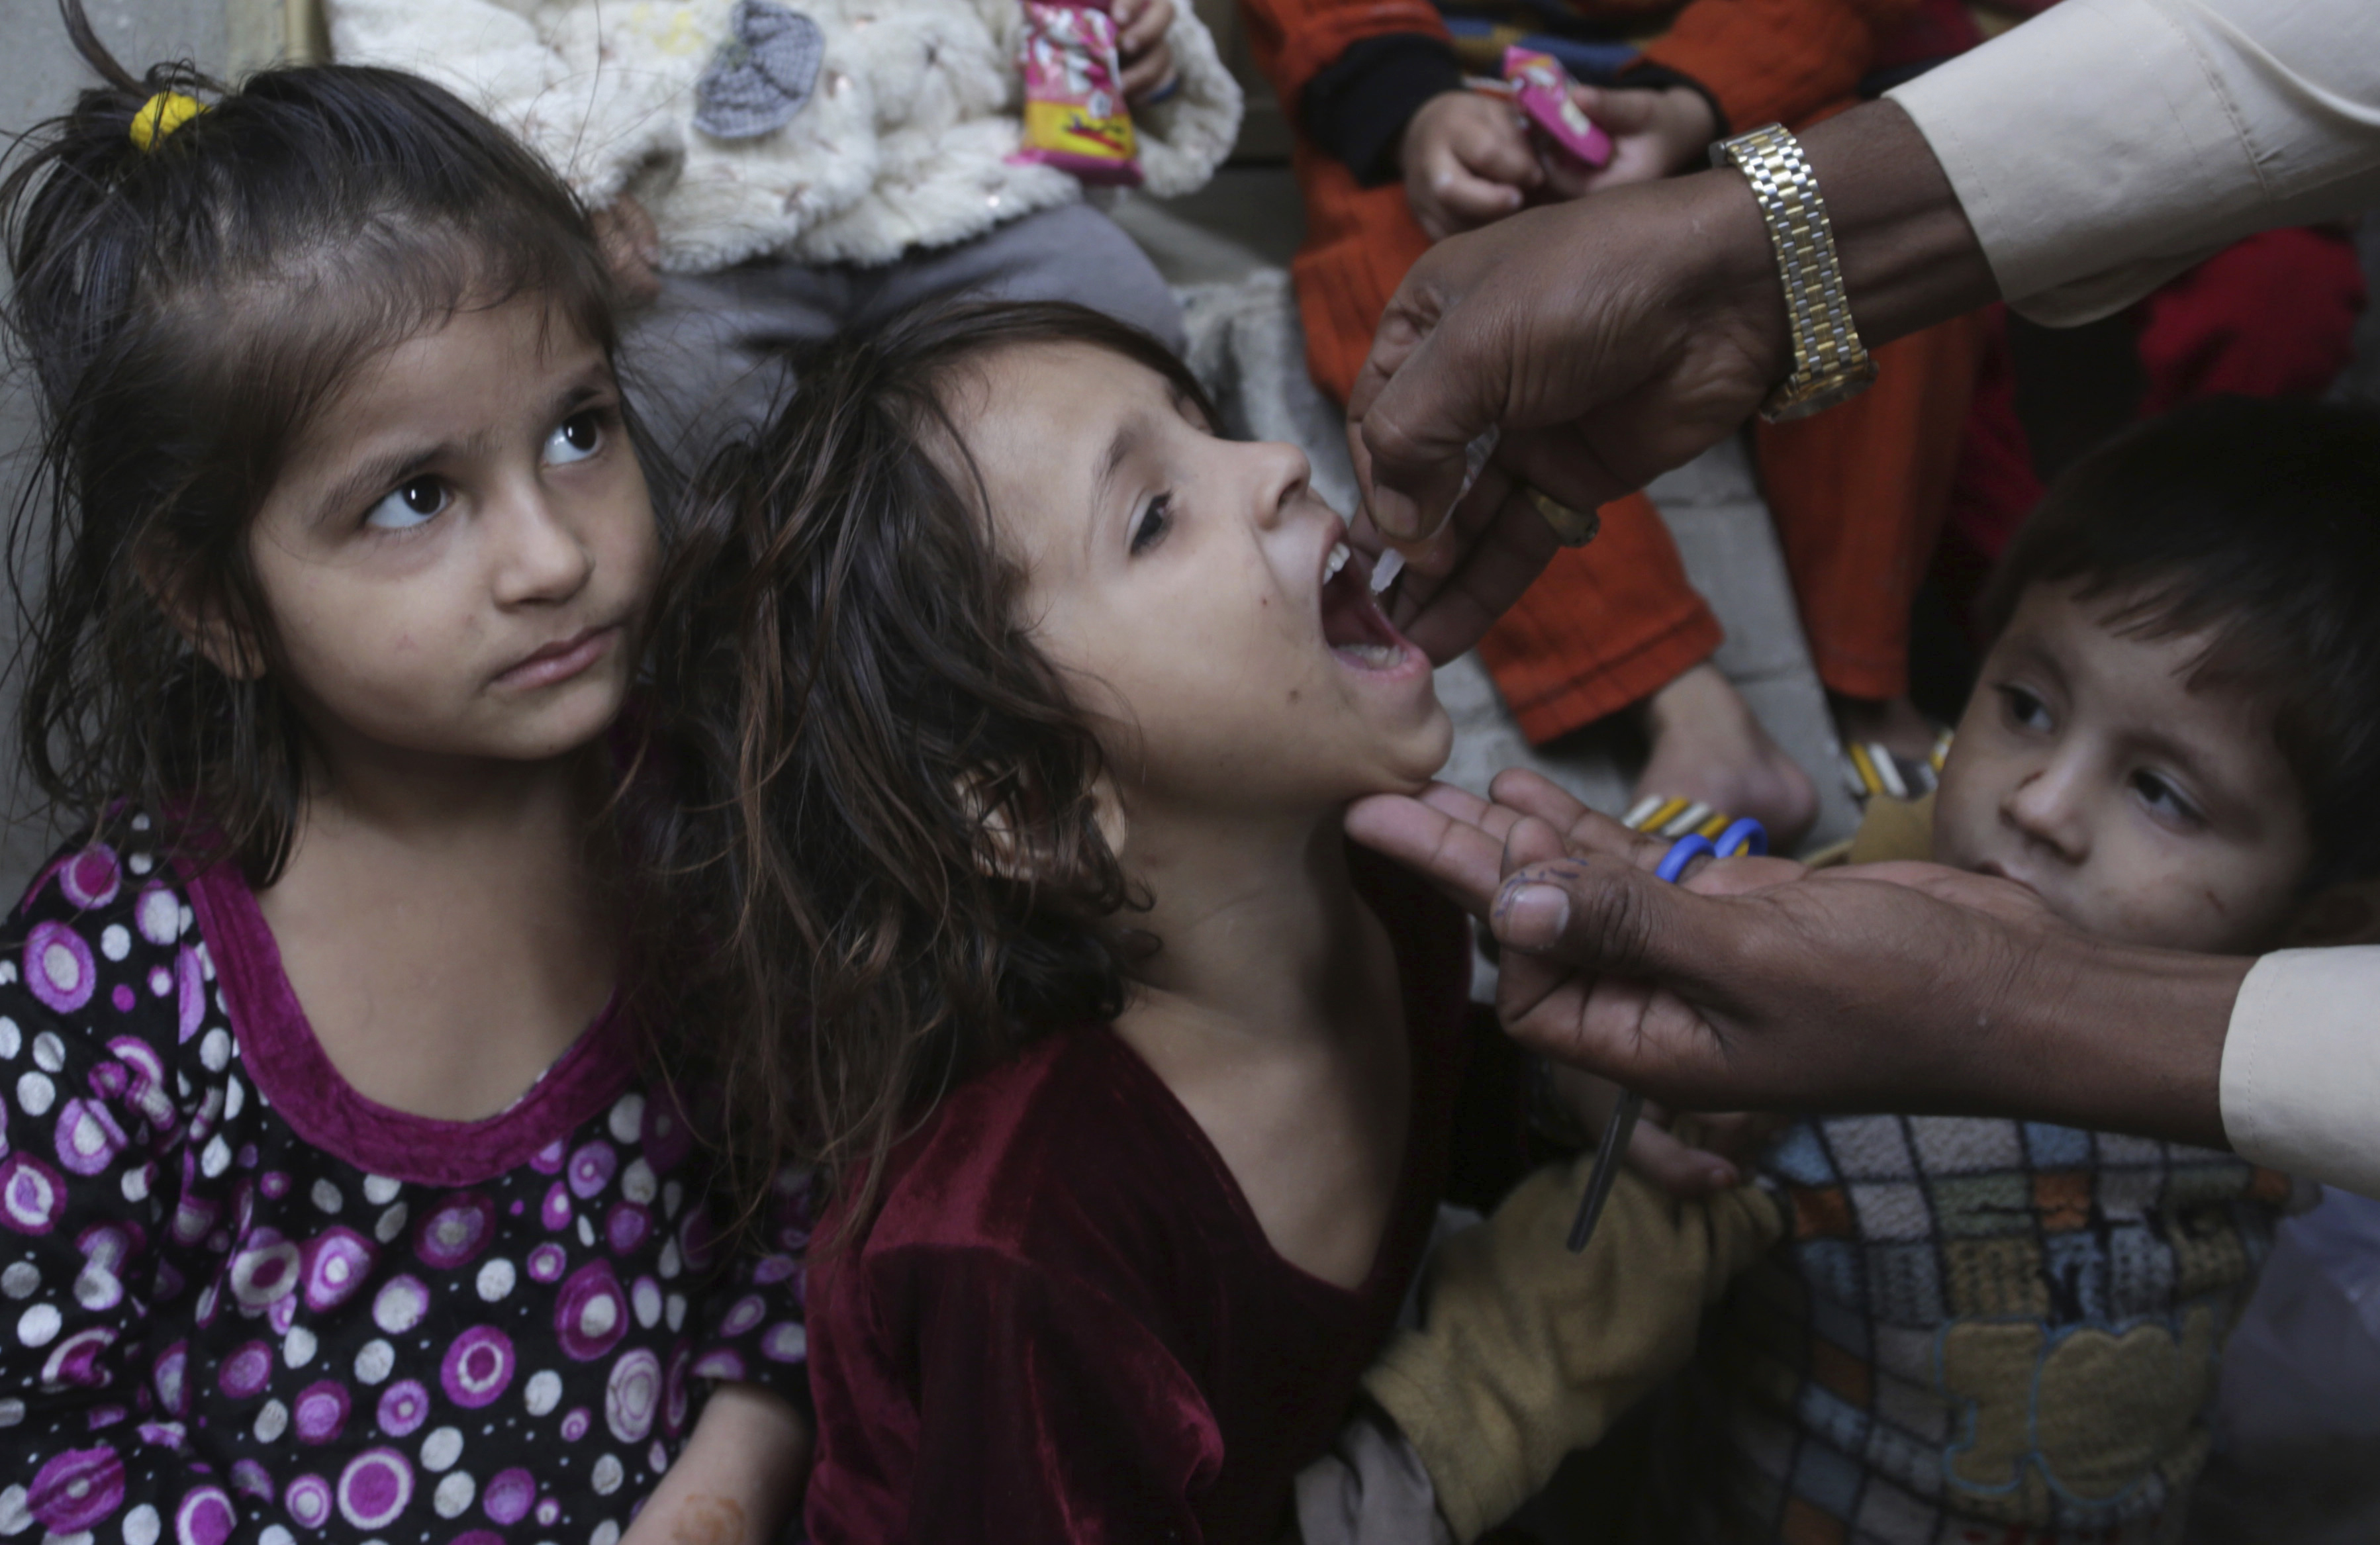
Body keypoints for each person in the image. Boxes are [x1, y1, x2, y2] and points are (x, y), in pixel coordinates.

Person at [1328, 0, 2380, 1199]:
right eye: (2023, 706)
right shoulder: (1838, 908)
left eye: (2162, 792)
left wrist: (2009, 1011)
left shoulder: (2289, 1206)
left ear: (2333, 928)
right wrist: (1747, 254)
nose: (2037, 805)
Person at [0, 25, 808, 1545]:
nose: (552, 556)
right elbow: (38, 1447)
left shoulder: (691, 821)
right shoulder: (112, 978)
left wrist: (723, 1487)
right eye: (417, 496)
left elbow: (804, 1208)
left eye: (579, 431)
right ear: (215, 604)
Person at [649, 301, 1478, 1542]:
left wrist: (1592, 1097)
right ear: (1034, 803)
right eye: (1153, 516)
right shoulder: (1022, 1243)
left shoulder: (1397, 880)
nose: (1276, 461)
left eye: (1209, 425)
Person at [1241, 0, 1994, 841]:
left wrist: (1694, 99)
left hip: (1728, 93)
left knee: (1873, 203)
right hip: (1442, 113)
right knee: (1394, 281)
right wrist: (1413, 107)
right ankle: (1690, 709)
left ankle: (1868, 673)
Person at [327, 0, 1241, 459]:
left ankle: (1068, 614)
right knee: (660, 408)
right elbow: (437, 26)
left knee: (1117, 311)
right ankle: (744, 673)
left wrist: (1134, 46)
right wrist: (556, 178)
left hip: (951, 181)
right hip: (681, 223)